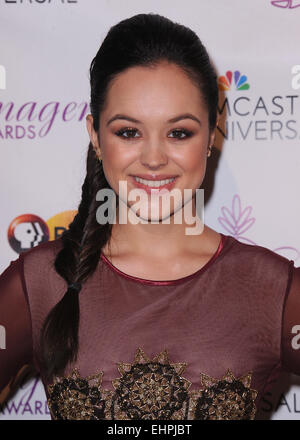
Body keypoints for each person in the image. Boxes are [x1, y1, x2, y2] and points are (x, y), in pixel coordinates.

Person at [0, 12, 300, 421]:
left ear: (211, 136)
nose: (154, 159)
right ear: (95, 136)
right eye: (128, 132)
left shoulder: (271, 290)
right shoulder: (39, 283)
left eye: (179, 132)